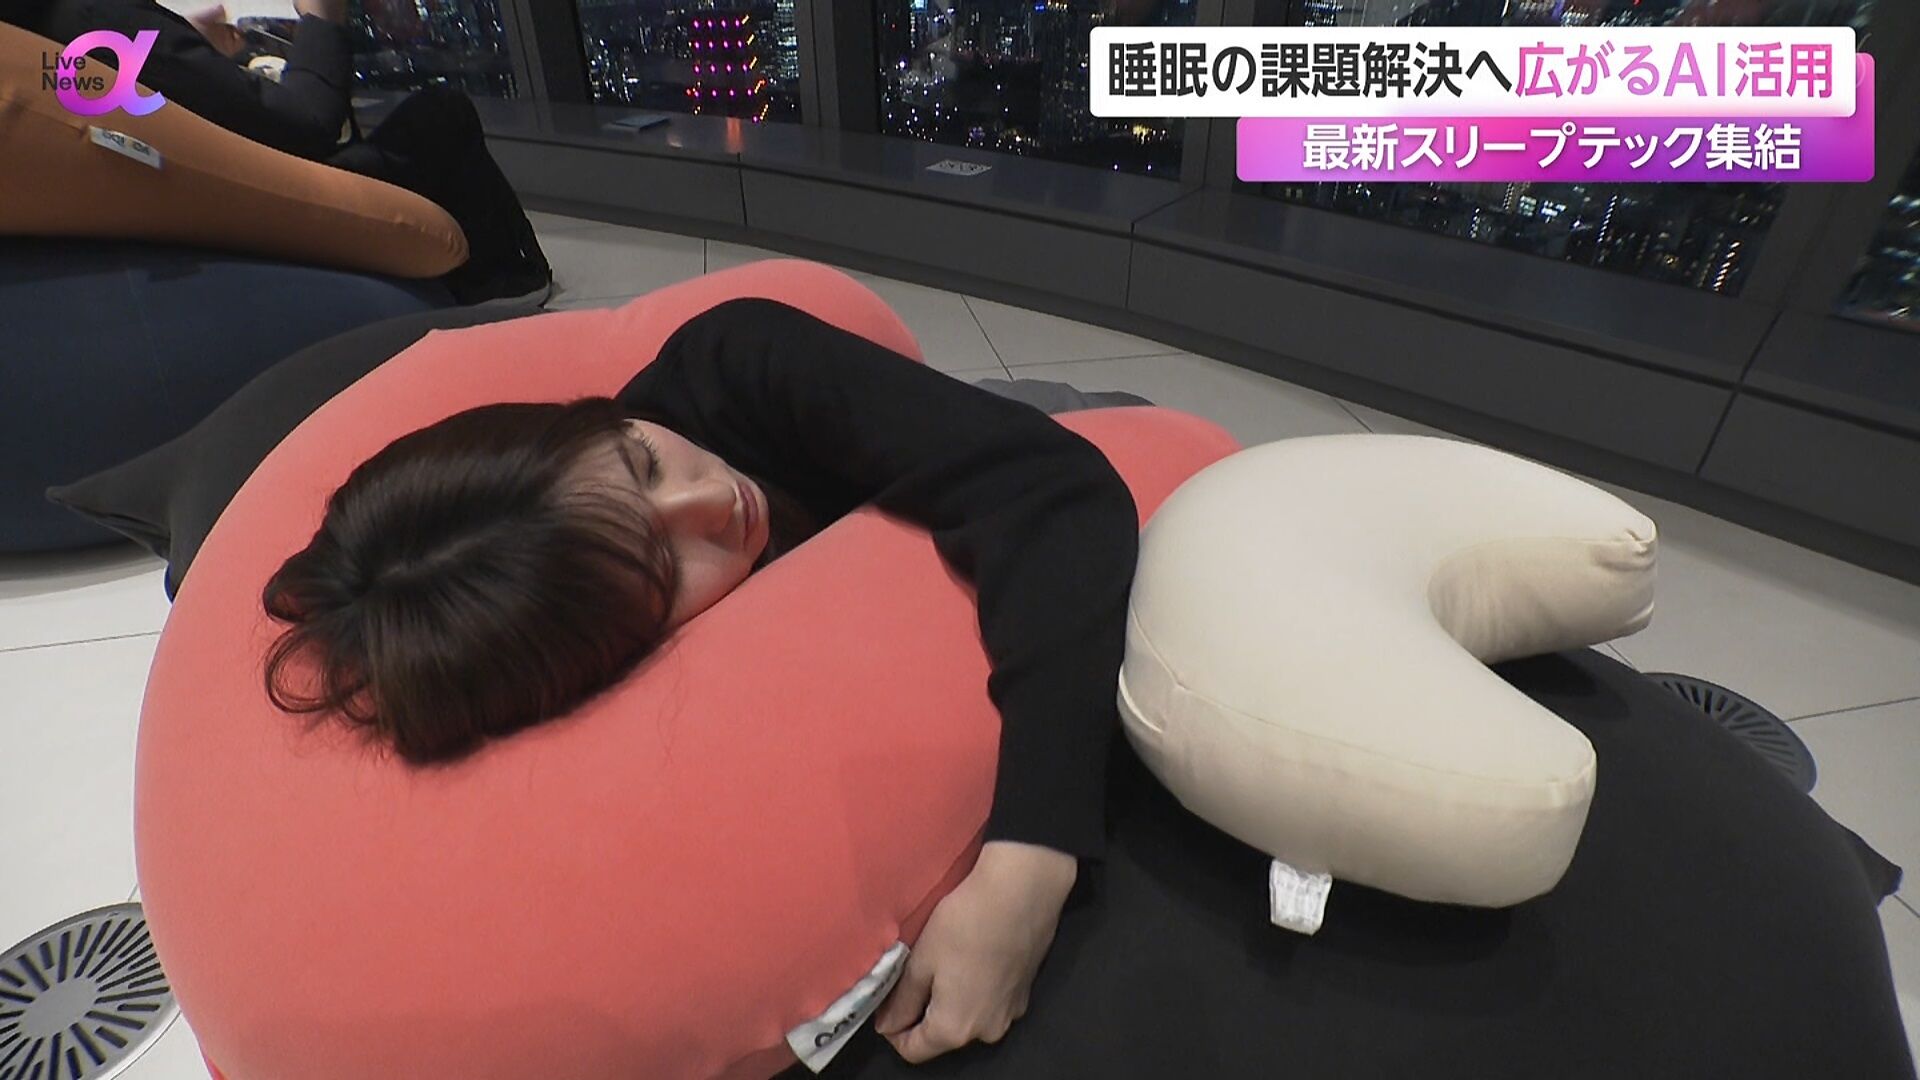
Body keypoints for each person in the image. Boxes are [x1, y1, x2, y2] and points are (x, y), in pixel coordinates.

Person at [258, 297, 1146, 1065]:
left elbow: (1051, 488)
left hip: (986, 428)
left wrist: (1030, 864)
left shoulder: (733, 367)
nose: (714, 501)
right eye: (662, 568)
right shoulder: (619, 678)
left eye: (642, 462)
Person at [8, 0, 551, 305]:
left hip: (162, 218)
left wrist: (183, 47)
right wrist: (323, 19)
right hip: (249, 218)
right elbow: (305, 128)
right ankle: (502, 288)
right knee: (441, 114)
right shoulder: (92, 17)